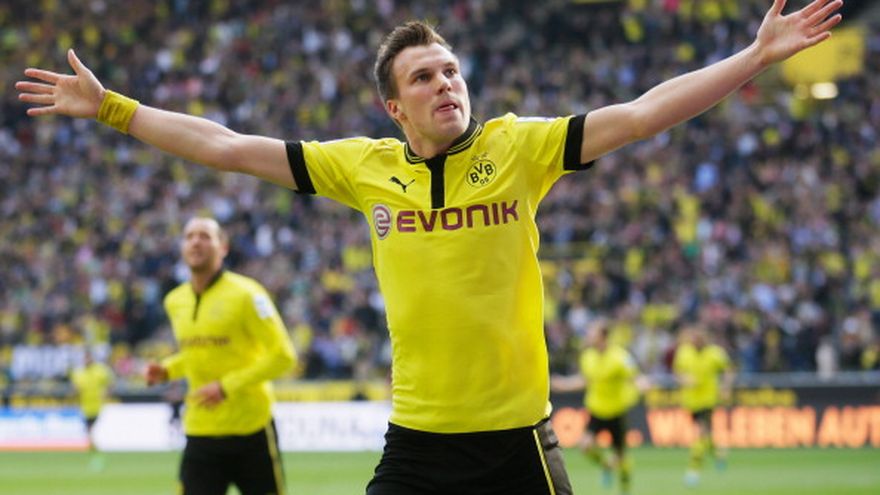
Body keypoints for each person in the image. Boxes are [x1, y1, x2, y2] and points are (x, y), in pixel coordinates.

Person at [16, 1, 842, 492]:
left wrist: (754, 57)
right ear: (394, 108)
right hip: (416, 443)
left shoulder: (520, 149)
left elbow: (643, 113)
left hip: (519, 442)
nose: (445, 82)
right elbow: (227, 146)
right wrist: (114, 108)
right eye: (423, 76)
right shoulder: (362, 167)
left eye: (450, 70)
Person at [145, 217, 297, 495]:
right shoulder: (175, 301)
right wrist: (168, 369)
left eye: (205, 236)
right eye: (189, 236)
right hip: (201, 430)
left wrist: (226, 387)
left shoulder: (247, 294)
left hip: (250, 429)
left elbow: (283, 356)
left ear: (223, 247)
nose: (196, 242)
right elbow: (198, 353)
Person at [551, 320, 643, 495]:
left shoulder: (620, 357)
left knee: (622, 458)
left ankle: (625, 486)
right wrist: (563, 384)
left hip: (617, 411)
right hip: (596, 410)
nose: (589, 336)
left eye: (593, 333)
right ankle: (606, 465)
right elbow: (585, 380)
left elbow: (636, 378)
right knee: (585, 446)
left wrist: (645, 387)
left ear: (603, 336)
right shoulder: (588, 356)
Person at [673, 324, 735, 487]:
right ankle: (719, 453)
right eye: (694, 338)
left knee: (701, 434)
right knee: (706, 436)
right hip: (690, 401)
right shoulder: (684, 352)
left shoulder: (715, 353)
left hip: (708, 400)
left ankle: (693, 471)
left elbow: (728, 370)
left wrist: (725, 387)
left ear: (705, 339)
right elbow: (677, 372)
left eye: (699, 339)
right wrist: (684, 380)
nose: (696, 341)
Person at [70, 348, 114, 470]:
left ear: (92, 358)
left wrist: (107, 393)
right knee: (89, 434)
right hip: (85, 407)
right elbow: (75, 389)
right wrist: (75, 392)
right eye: (85, 358)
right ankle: (96, 457)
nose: (86, 360)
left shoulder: (100, 370)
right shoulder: (78, 373)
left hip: (99, 406)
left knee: (91, 432)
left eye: (88, 358)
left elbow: (110, 383)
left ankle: (98, 457)